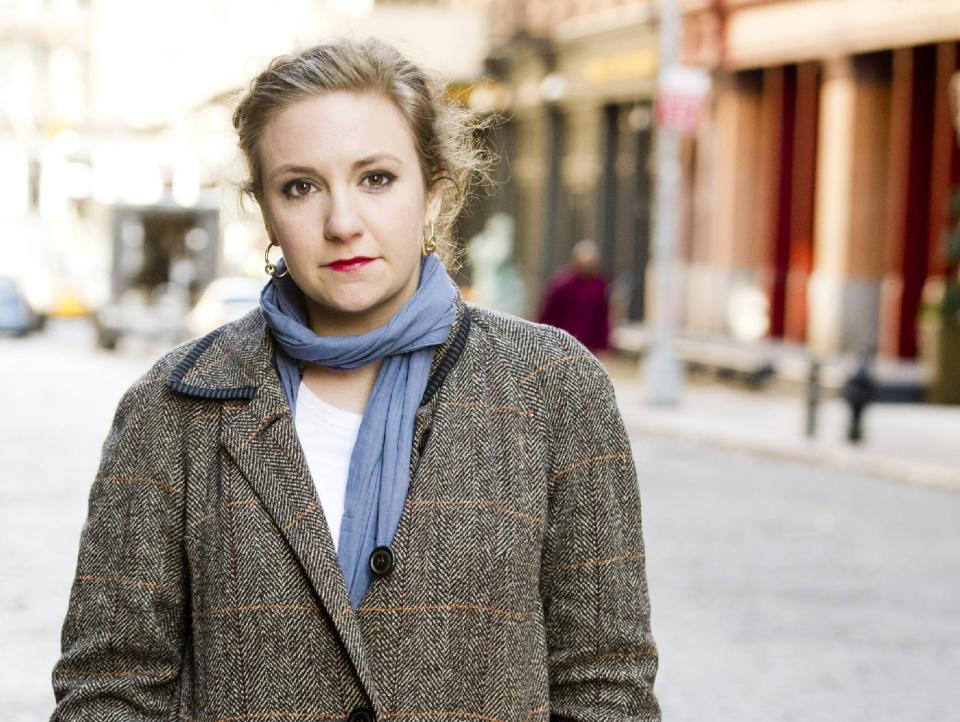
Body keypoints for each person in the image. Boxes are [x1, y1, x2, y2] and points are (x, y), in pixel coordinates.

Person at [49, 38, 660, 722]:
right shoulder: (175, 404)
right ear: (268, 213)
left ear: (434, 194)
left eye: (376, 178)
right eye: (300, 187)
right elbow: (110, 689)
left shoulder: (551, 386)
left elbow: (606, 686)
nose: (342, 223)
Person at [537, 239, 612, 352]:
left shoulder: (599, 285)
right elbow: (549, 313)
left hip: (589, 342)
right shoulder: (563, 283)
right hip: (563, 340)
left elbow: (603, 316)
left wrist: (603, 342)